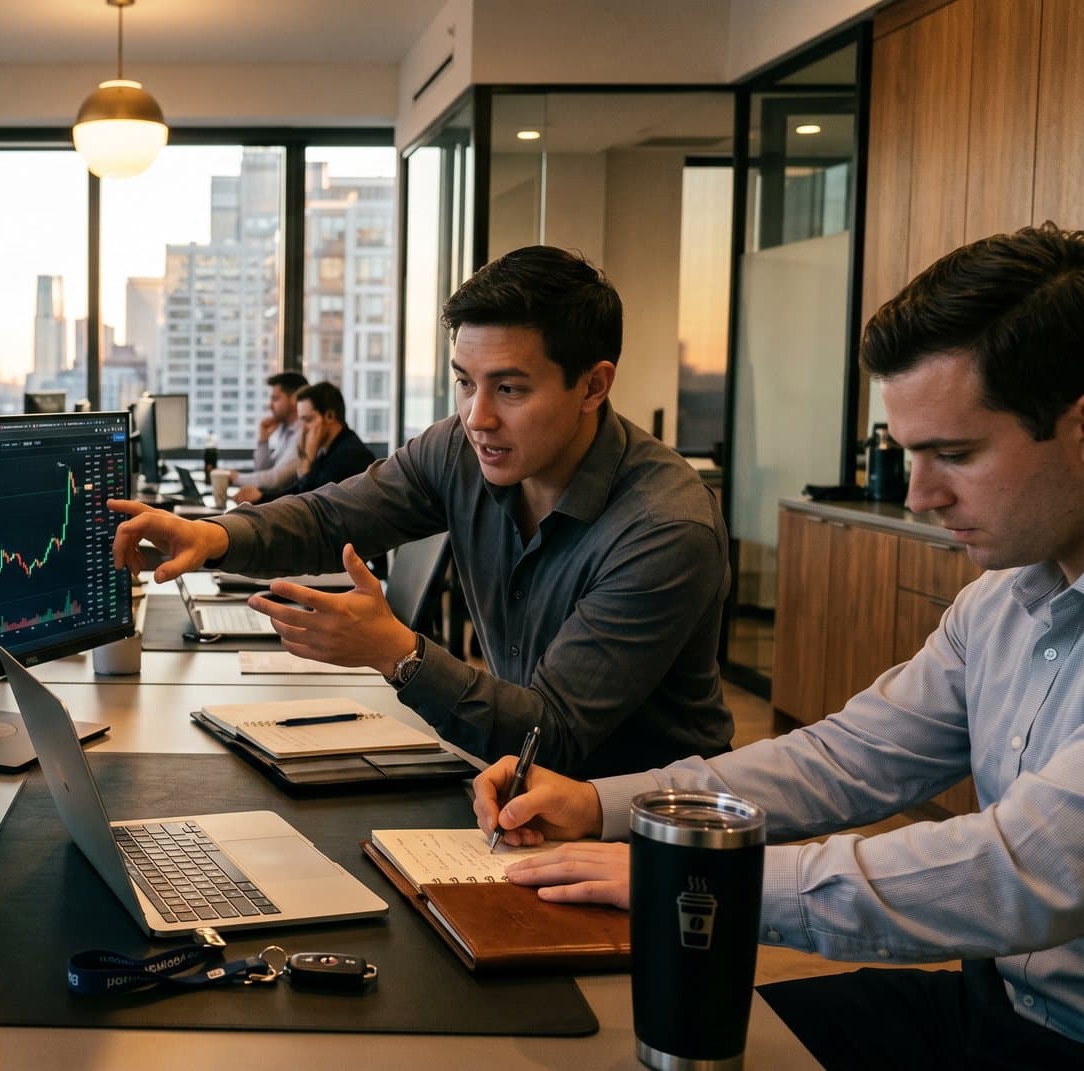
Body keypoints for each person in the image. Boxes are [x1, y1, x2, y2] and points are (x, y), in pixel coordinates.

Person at [474, 224, 1084, 1068]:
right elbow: (845, 759)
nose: (919, 495)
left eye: (956, 454)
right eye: (912, 453)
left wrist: (703, 883)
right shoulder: (1003, 600)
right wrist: (605, 805)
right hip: (990, 1002)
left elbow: (1020, 871)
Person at [110, 246, 732, 777]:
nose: (477, 417)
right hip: (520, 802)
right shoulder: (460, 449)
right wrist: (210, 535)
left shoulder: (665, 528)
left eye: (510, 389)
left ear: (594, 386)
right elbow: (333, 517)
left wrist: (398, 654)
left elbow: (554, 738)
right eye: (465, 382)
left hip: (644, 839)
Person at [253, 381, 372, 503]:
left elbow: (309, 505)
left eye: (308, 420)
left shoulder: (348, 455)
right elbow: (297, 491)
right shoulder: (329, 450)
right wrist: (261, 497)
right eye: (301, 421)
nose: (302, 429)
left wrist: (307, 460)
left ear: (329, 416)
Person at [231, 371, 307, 503]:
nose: (270, 406)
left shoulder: (304, 433)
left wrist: (235, 478)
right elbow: (263, 469)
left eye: (276, 399)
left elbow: (276, 479)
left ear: (295, 399)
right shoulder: (287, 430)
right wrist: (263, 440)